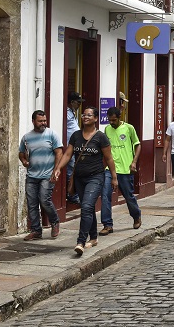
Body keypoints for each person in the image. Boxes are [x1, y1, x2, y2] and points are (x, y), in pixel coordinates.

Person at [52, 106, 118, 256]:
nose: (85, 117)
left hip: (96, 177)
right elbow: (68, 154)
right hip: (79, 178)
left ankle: (81, 241)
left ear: (95, 118)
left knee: (87, 206)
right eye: (84, 114)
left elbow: (108, 158)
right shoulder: (76, 135)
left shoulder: (101, 137)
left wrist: (114, 177)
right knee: (87, 207)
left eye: (89, 115)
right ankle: (93, 238)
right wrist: (58, 169)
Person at [19, 110, 62, 241]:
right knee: (32, 204)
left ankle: (54, 222)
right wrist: (24, 161)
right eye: (40, 121)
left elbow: (59, 152)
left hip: (47, 175)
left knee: (44, 200)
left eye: (44, 120)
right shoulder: (27, 137)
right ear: (33, 121)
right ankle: (36, 231)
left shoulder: (52, 134)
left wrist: (56, 170)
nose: (43, 123)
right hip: (32, 175)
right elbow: (21, 152)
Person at [99, 107, 142, 236]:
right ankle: (107, 224)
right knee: (105, 195)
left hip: (125, 169)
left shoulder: (129, 128)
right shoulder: (106, 129)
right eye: (109, 120)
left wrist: (134, 162)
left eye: (114, 120)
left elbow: (137, 144)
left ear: (120, 117)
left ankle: (136, 215)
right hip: (110, 168)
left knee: (128, 196)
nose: (111, 122)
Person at [65, 91, 83, 204]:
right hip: (69, 147)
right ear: (72, 102)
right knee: (71, 170)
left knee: (75, 169)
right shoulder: (66, 113)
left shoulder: (72, 112)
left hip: (76, 146)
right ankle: (72, 195)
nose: (79, 105)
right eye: (78, 102)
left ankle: (75, 194)